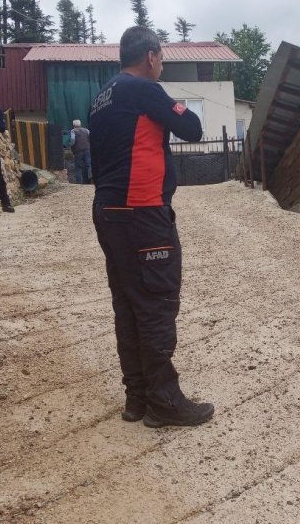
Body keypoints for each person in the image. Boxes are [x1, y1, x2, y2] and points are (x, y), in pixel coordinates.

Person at [89, 26, 211, 428]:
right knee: (157, 303)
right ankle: (165, 402)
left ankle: (137, 398)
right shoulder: (142, 89)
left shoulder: (102, 96)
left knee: (129, 304)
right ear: (152, 56)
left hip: (108, 211)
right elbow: (192, 127)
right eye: (162, 59)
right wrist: (169, 104)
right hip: (142, 211)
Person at [68, 119, 91, 184]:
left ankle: (79, 182)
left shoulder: (73, 131)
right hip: (87, 149)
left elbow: (72, 140)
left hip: (78, 151)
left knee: (78, 167)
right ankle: (91, 177)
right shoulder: (86, 130)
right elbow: (90, 138)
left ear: (73, 125)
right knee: (89, 164)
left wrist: (70, 145)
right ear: (80, 124)